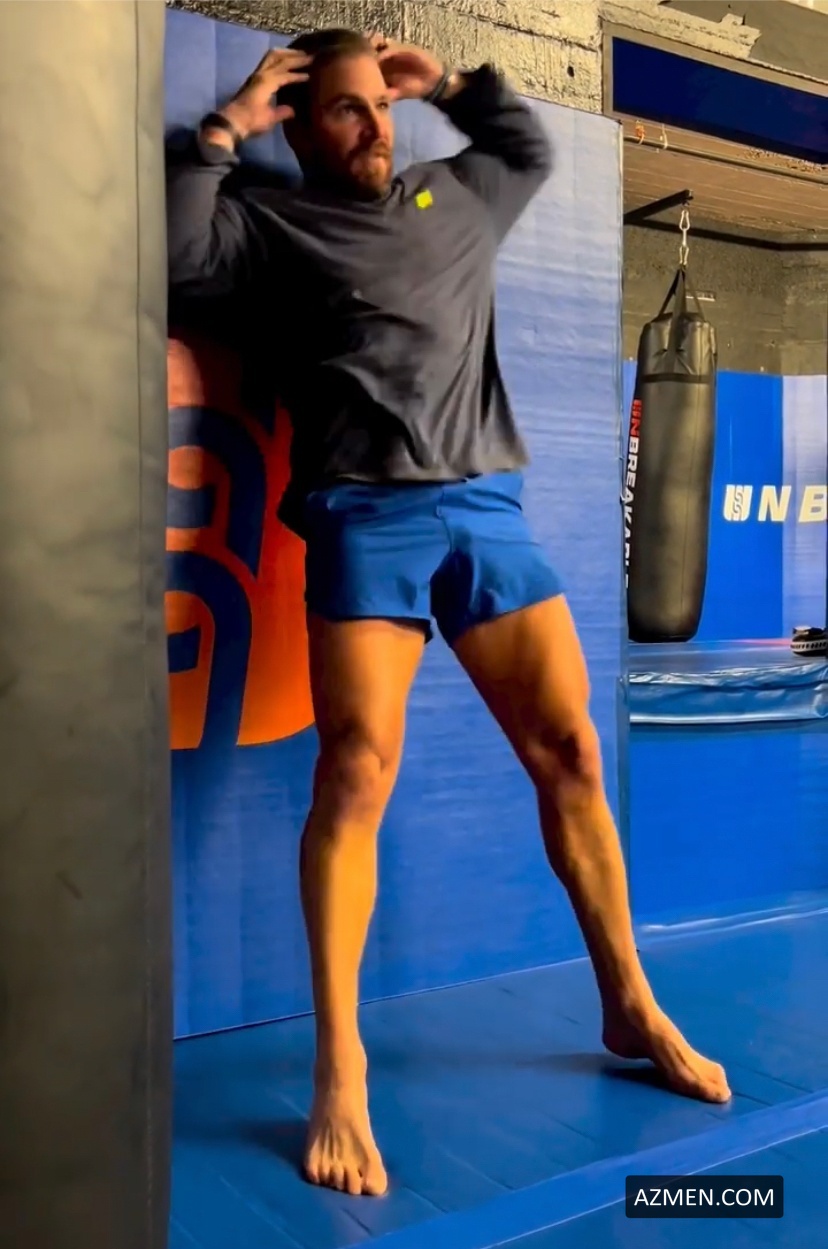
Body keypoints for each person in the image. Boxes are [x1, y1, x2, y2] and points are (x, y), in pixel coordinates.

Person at [166, 28, 731, 1199]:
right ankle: (341, 1069)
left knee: (572, 752)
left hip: (485, 507)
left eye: (380, 106)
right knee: (355, 772)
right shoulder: (272, 224)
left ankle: (629, 1001)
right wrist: (228, 125)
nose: (374, 126)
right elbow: (176, 252)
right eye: (344, 109)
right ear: (301, 125)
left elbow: (527, 146)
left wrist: (451, 82)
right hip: (363, 514)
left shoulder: (452, 192)